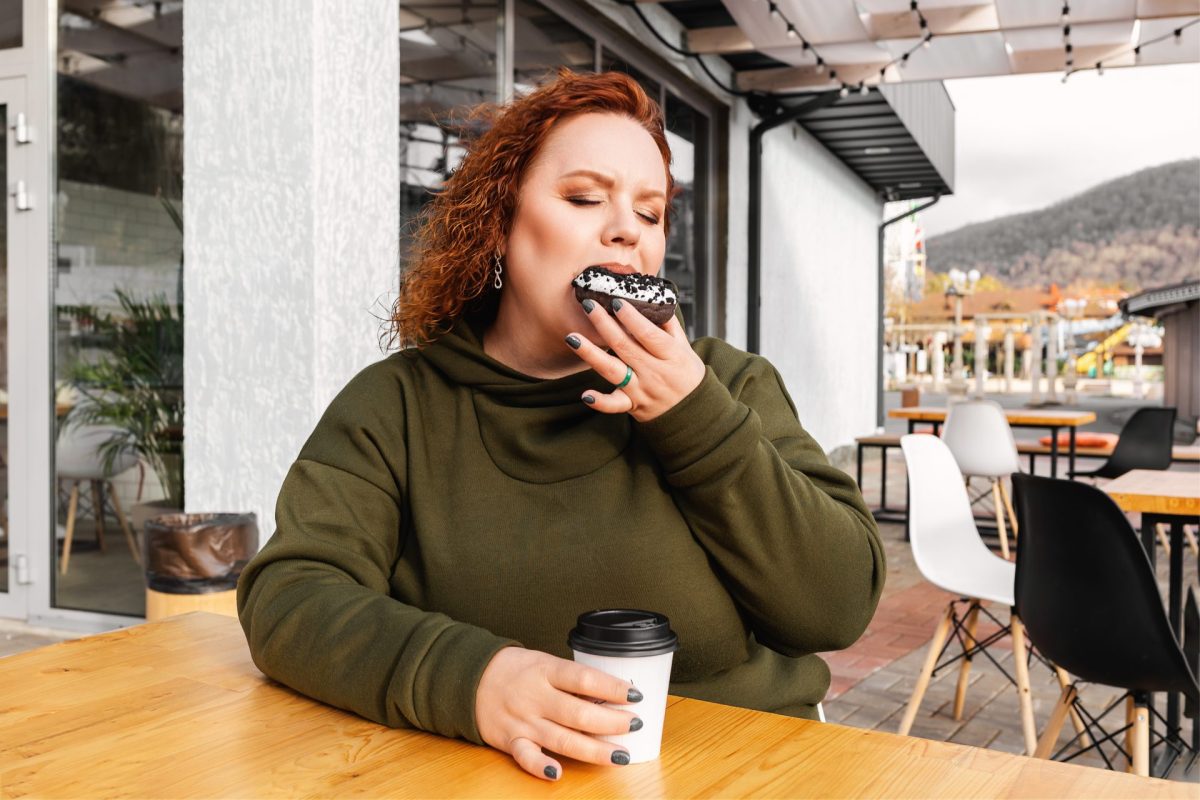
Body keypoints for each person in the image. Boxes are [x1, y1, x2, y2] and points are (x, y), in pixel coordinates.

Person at [237, 69, 885, 783]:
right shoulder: (398, 406)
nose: (625, 231)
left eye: (651, 213)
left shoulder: (729, 385)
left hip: (749, 772)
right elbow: (290, 594)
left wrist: (694, 419)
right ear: (500, 223)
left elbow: (837, 608)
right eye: (584, 198)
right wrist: (473, 680)